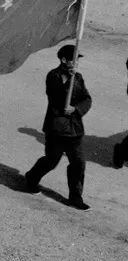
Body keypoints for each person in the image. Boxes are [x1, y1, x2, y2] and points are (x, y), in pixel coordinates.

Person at [23, 44, 92, 210]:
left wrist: (76, 109)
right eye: (74, 60)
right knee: (51, 161)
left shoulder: (79, 77)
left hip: (75, 129)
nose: (76, 63)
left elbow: (87, 99)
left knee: (79, 163)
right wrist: (68, 80)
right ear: (63, 60)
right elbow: (55, 98)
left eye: (77, 60)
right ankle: (31, 178)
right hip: (57, 129)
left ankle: (75, 197)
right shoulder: (53, 76)